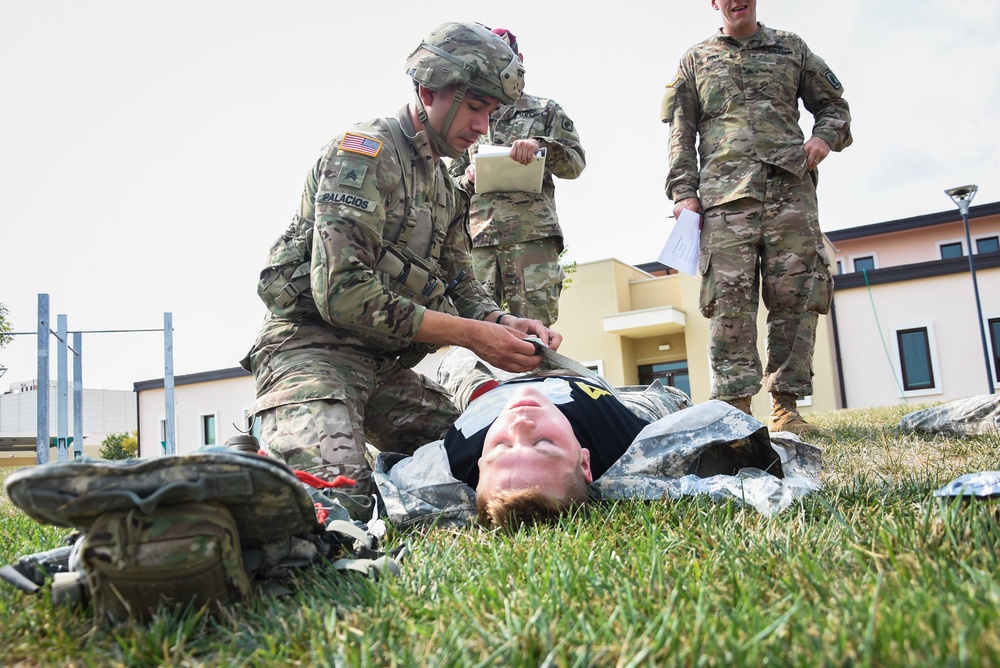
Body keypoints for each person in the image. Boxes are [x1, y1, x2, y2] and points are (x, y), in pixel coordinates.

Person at [241, 22, 562, 501]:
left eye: (491, 112)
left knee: (478, 461)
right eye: (475, 108)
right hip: (311, 351)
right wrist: (474, 335)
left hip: (382, 367)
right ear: (428, 90)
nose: (482, 127)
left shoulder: (445, 187)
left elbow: (459, 287)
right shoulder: (363, 155)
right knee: (339, 503)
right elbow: (342, 295)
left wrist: (504, 322)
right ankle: (263, 447)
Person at [660, 0, 852, 436]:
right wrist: (683, 193)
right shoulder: (695, 60)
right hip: (724, 200)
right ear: (713, 2)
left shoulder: (792, 48)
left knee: (796, 297)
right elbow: (680, 134)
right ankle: (735, 410)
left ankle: (786, 406)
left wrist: (823, 138)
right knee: (728, 304)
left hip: (790, 192)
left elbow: (835, 106)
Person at [375, 347, 792, 528]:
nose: (520, 427)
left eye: (501, 447)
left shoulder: (453, 463)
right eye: (544, 445)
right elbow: (724, 459)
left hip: (485, 395)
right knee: (669, 398)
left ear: (479, 467)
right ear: (586, 462)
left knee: (458, 358)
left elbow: (390, 493)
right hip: (581, 384)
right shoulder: (622, 443)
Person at [448, 27, 586, 326]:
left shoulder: (544, 110)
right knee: (476, 329)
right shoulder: (465, 115)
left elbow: (575, 164)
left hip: (532, 238)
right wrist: (468, 178)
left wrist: (542, 147)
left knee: (536, 329)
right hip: (479, 240)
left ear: (518, 60)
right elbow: (448, 184)